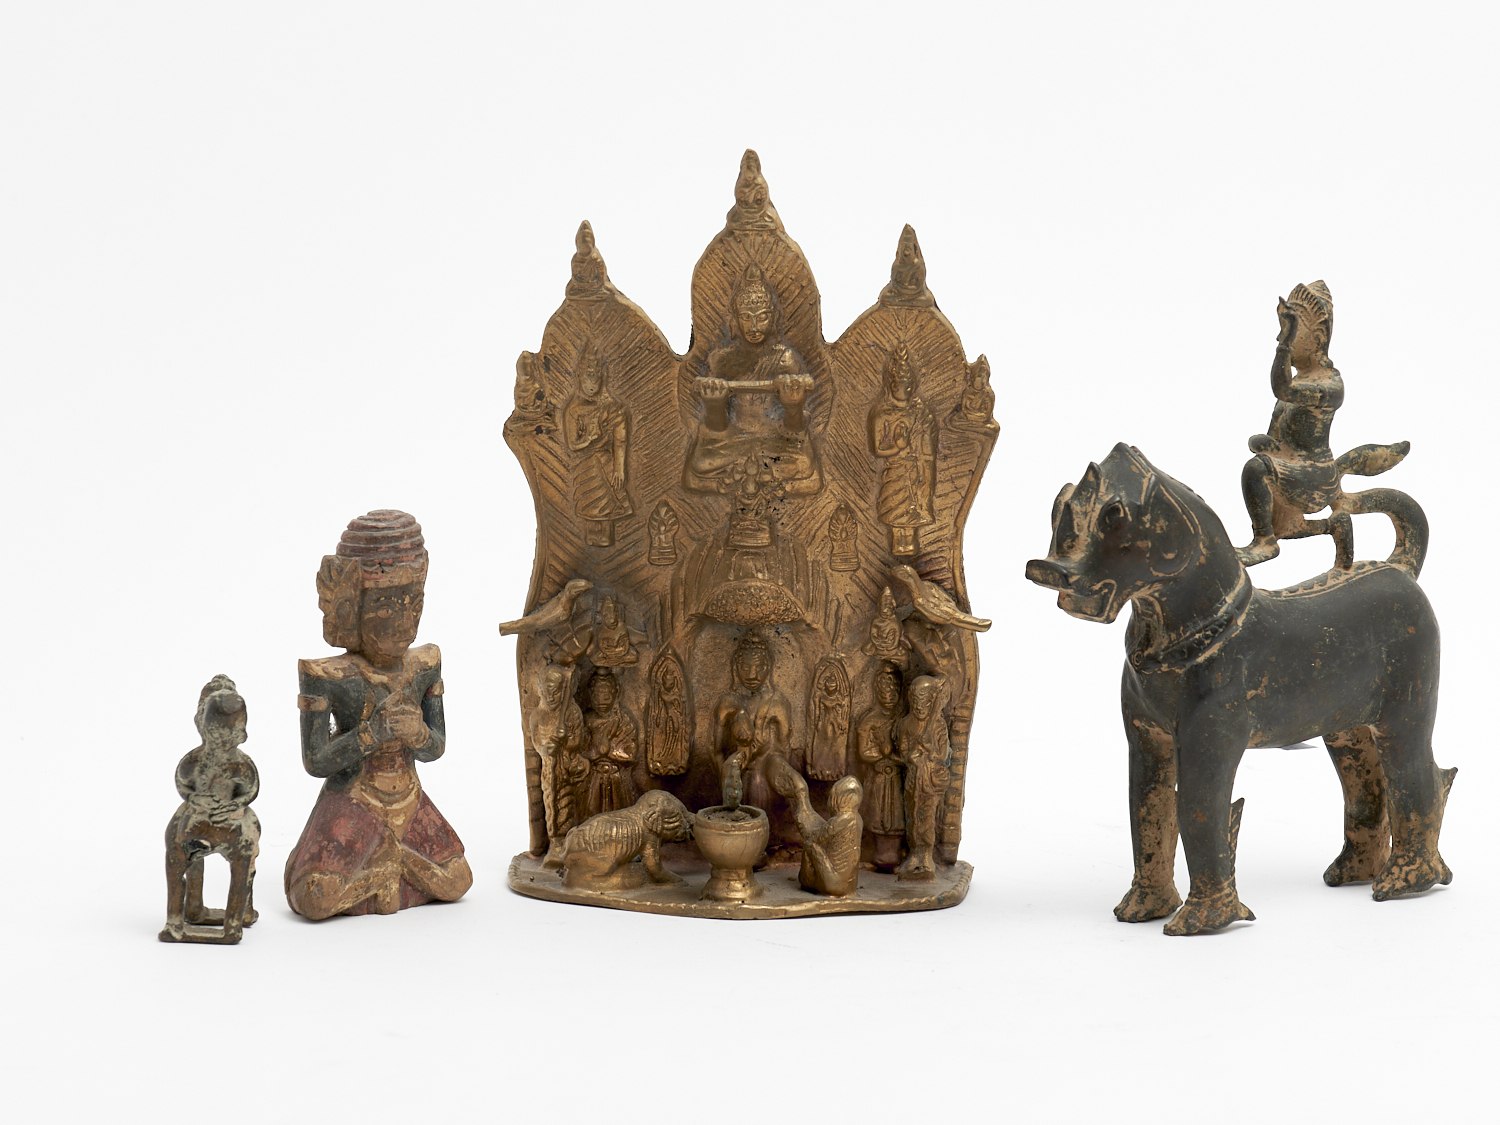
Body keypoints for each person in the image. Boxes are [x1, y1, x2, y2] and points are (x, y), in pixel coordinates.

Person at [286, 511, 472, 919]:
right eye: (386, 608)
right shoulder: (328, 676)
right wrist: (373, 733)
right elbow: (316, 761)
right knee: (313, 899)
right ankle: (385, 873)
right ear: (352, 611)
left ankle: (392, 864)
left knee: (458, 880)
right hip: (354, 801)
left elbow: (436, 748)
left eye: (414, 605)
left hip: (408, 797)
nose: (404, 623)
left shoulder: (424, 664)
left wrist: (418, 734)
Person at [684, 265, 821, 503]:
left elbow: (795, 429)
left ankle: (728, 483)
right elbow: (717, 428)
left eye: (762, 317)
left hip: (777, 443)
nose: (754, 326)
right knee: (700, 463)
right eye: (746, 317)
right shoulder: (721, 359)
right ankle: (772, 483)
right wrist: (714, 405)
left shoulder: (785, 358)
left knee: (803, 463)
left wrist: (793, 406)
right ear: (735, 318)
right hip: (732, 442)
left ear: (774, 317)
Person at [1237, 282, 1346, 566]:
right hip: (1294, 467)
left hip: (1316, 473)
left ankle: (1264, 541)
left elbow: (1282, 388)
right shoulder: (1298, 381)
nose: (1282, 336)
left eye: (1295, 332)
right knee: (1284, 525)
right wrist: (1267, 444)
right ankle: (1332, 526)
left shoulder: (1330, 386)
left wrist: (1284, 344)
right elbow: (1277, 435)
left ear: (1317, 338)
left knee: (1256, 469)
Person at [867, 340, 937, 556]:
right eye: (898, 384)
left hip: (914, 469)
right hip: (895, 469)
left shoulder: (919, 413)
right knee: (896, 508)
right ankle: (898, 544)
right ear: (890, 384)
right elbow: (878, 450)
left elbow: (927, 446)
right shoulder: (882, 415)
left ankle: (910, 546)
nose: (903, 390)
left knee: (912, 510)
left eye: (907, 385)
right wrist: (899, 448)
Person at [714, 631, 794, 816]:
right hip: (734, 782)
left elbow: (784, 752)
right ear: (735, 667)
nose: (752, 675)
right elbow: (716, 752)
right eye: (745, 667)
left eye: (760, 667)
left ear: (769, 668)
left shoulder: (778, 703)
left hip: (764, 779)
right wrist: (727, 782)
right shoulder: (728, 702)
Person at [563, 342, 633, 547]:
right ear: (579, 376)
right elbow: (572, 444)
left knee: (609, 499)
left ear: (603, 377)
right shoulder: (573, 410)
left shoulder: (614, 408)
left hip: (605, 462)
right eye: (587, 376)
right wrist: (589, 439)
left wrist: (619, 469)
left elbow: (620, 441)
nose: (591, 383)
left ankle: (607, 535)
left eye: (595, 377)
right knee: (589, 501)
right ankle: (592, 541)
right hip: (585, 465)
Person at [896, 675, 950, 880]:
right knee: (912, 815)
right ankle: (914, 853)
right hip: (913, 778)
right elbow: (903, 750)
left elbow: (943, 754)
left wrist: (930, 748)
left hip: (930, 780)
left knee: (926, 817)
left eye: (925, 702)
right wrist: (910, 756)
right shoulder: (906, 724)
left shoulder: (937, 725)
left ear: (932, 701)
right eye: (916, 701)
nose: (919, 707)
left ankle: (926, 855)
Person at [581, 668, 638, 819]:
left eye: (606, 697)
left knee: (619, 816)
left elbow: (631, 754)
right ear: (591, 695)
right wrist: (596, 753)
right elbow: (580, 750)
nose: (601, 702)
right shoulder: (587, 721)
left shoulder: (623, 722)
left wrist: (610, 752)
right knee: (592, 816)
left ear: (615, 694)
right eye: (597, 696)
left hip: (617, 778)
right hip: (594, 778)